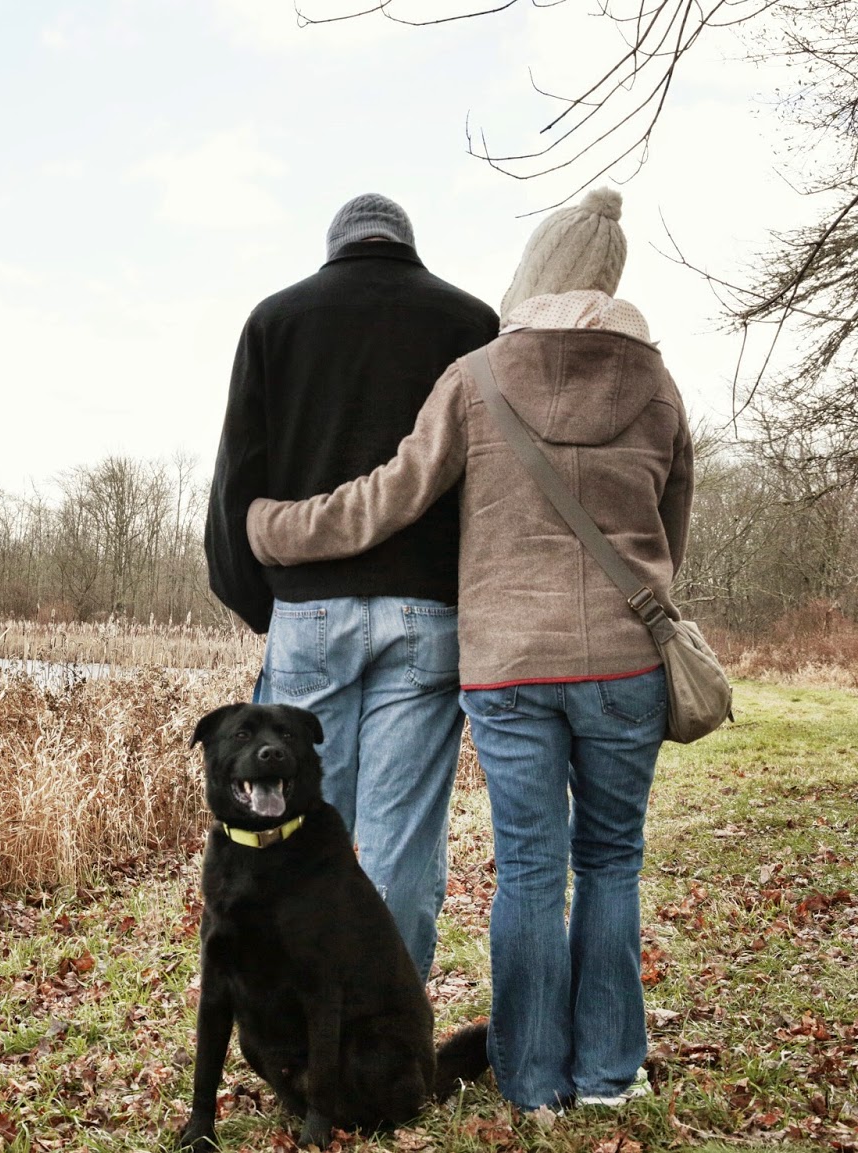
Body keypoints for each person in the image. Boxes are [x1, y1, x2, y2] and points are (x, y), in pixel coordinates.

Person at [245, 188, 693, 1112]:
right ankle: (608, 1074)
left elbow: (394, 495)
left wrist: (278, 529)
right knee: (611, 860)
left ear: (539, 265)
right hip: (625, 661)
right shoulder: (657, 385)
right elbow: (671, 522)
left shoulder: (480, 375)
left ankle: (531, 1080)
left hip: (509, 664)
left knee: (529, 864)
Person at [205, 193, 498, 983]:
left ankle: (294, 1022)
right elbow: (493, 485)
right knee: (402, 841)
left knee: (290, 827)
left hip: (310, 608)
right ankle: (385, 1022)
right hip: (428, 611)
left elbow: (239, 476)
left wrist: (264, 602)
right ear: (407, 244)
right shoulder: (471, 324)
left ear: (336, 246)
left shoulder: (275, 321)